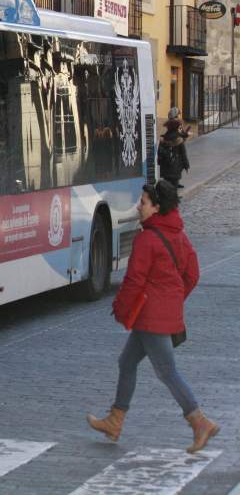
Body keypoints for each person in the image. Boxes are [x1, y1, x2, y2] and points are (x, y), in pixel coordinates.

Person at [86, 180, 219, 454]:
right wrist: (173, 300)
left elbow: (134, 280)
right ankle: (115, 420)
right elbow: (192, 274)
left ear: (157, 208)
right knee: (127, 362)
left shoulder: (147, 239)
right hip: (160, 315)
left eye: (143, 202)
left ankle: (199, 421)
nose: (139, 206)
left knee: (166, 371)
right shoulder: (179, 236)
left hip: (150, 317)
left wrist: (121, 309)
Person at [158, 118, 190, 189]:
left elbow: (159, 153)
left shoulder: (164, 138)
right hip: (175, 167)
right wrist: (186, 166)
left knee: (167, 185)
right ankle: (174, 198)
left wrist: (159, 162)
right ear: (176, 127)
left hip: (165, 167)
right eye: (179, 127)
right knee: (174, 186)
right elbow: (183, 154)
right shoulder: (179, 139)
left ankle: (167, 197)